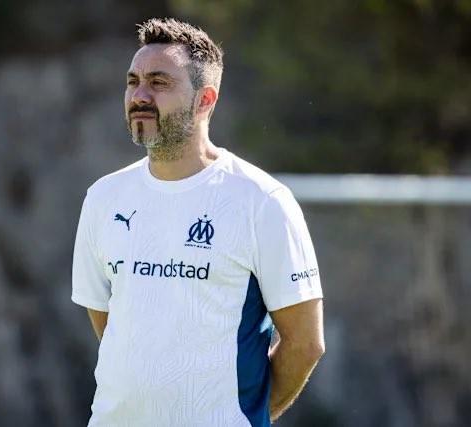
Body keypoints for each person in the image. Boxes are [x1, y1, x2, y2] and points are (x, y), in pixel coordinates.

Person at [71, 17, 324, 426]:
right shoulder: (103, 198)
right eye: (133, 81)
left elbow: (305, 343)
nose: (140, 95)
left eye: (159, 82)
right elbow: (111, 326)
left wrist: (245, 415)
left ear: (205, 100)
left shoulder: (262, 201)